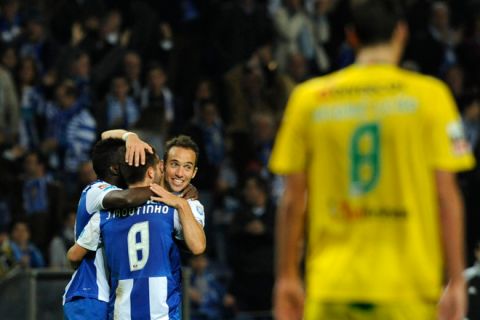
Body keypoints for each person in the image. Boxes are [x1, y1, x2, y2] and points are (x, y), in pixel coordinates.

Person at [268, 1, 475, 319]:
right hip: (409, 287)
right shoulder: (431, 97)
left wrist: (286, 277)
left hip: (332, 285)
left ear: (351, 37)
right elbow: (446, 197)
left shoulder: (308, 100)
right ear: (401, 33)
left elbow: (294, 199)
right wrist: (457, 280)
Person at [67, 148, 206, 319]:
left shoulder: (103, 216)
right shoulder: (171, 209)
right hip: (162, 312)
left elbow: (74, 256)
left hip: (121, 311)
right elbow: (198, 247)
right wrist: (181, 203)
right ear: (150, 172)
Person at [62, 136, 154, 320]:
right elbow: (127, 198)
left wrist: (131, 137)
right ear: (115, 168)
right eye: (127, 162)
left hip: (109, 297)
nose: (132, 165)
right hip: (89, 295)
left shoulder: (124, 203)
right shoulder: (95, 190)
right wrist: (166, 192)